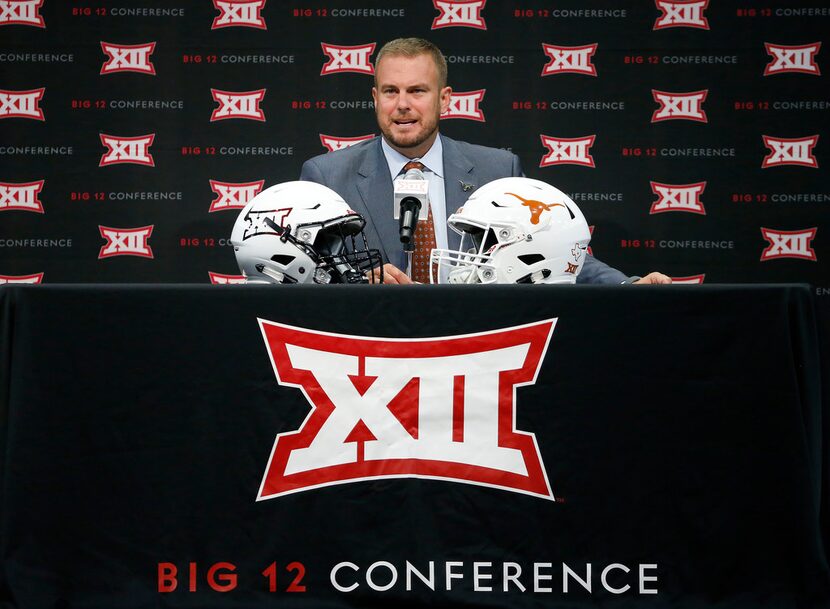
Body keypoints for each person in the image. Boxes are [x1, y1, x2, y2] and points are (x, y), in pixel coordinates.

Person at [300, 37, 671, 285]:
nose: (402, 105)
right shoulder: (328, 176)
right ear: (374, 97)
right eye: (390, 91)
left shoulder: (498, 170)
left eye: (417, 91)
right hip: (371, 340)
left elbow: (552, 251)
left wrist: (629, 285)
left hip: (476, 344)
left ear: (445, 99)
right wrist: (355, 284)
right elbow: (301, 275)